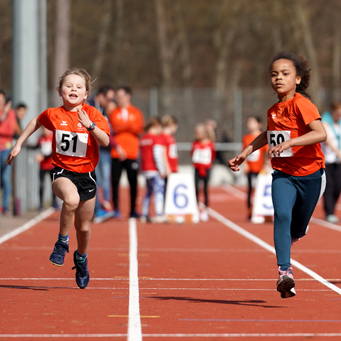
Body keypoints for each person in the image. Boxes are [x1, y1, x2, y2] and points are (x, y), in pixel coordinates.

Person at [228, 52, 326, 299]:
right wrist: (245, 153)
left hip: (312, 175)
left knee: (298, 229)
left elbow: (320, 133)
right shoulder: (274, 110)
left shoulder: (302, 104)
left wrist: (291, 141)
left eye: (285, 73)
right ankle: (285, 273)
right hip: (284, 173)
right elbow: (266, 135)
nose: (278, 78)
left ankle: (294, 235)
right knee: (281, 215)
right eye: (274, 74)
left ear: (297, 79)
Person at [6, 68, 110, 289]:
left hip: (87, 176)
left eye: (78, 87)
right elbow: (36, 122)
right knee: (70, 199)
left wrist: (89, 126)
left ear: (85, 93)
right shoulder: (54, 114)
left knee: (83, 228)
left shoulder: (93, 114)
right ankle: (62, 243)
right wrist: (18, 144)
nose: (73, 89)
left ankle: (81, 258)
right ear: (60, 91)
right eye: (69, 86)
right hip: (62, 172)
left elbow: (105, 141)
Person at [108, 86, 144, 218]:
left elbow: (139, 128)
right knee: (115, 181)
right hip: (116, 152)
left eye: (121, 96)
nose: (118, 99)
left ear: (128, 96)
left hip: (132, 152)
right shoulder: (113, 112)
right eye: (117, 97)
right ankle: (116, 208)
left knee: (133, 181)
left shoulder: (136, 112)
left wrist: (124, 126)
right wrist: (128, 126)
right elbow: (114, 127)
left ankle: (133, 209)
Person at [87, 86, 115, 220]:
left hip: (102, 148)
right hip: (90, 148)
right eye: (108, 99)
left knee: (102, 179)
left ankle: (100, 207)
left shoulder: (104, 109)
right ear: (101, 96)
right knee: (95, 179)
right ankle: (97, 210)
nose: (110, 102)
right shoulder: (89, 105)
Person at [140, 117, 168, 223]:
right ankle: (159, 214)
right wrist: (162, 170)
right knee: (159, 191)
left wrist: (140, 168)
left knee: (148, 191)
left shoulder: (143, 139)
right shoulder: (156, 139)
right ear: (157, 126)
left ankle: (144, 213)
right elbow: (158, 156)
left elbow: (139, 156)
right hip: (154, 169)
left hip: (145, 169)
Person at [242, 116, 268, 219]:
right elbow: (243, 152)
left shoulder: (262, 137)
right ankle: (249, 210)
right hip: (250, 168)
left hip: (260, 169)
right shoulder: (246, 138)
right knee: (249, 190)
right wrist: (245, 165)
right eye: (248, 123)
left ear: (259, 124)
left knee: (259, 190)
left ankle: (259, 210)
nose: (250, 125)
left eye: (252, 122)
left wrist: (266, 165)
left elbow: (267, 152)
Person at [321, 102, 341, 223]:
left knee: (338, 186)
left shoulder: (339, 124)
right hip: (327, 159)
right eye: (337, 114)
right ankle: (329, 212)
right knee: (329, 186)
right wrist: (337, 152)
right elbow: (327, 140)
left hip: (338, 161)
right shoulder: (325, 122)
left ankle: (332, 209)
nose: (339, 116)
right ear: (332, 112)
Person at [191, 123, 216, 222]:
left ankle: (205, 210)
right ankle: (196, 209)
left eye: (200, 132)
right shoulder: (195, 143)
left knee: (205, 189)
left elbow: (213, 155)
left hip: (206, 168)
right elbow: (192, 153)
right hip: (197, 168)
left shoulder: (210, 144)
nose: (198, 134)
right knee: (196, 188)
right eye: (196, 133)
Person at [0, 91, 16, 215]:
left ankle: (5, 206)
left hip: (6, 149)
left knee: (6, 178)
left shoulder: (10, 113)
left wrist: (5, 114)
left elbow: (10, 130)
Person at [35, 127, 58, 211]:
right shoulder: (40, 138)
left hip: (51, 166)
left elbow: (52, 152)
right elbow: (36, 147)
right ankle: (40, 204)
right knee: (41, 185)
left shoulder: (52, 138)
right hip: (42, 166)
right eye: (43, 129)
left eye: (46, 129)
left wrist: (43, 156)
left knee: (53, 185)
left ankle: (54, 202)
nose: (44, 131)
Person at [161, 114, 178, 194]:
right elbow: (163, 153)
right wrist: (167, 168)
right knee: (166, 190)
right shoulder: (163, 136)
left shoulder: (171, 136)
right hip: (168, 167)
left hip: (173, 166)